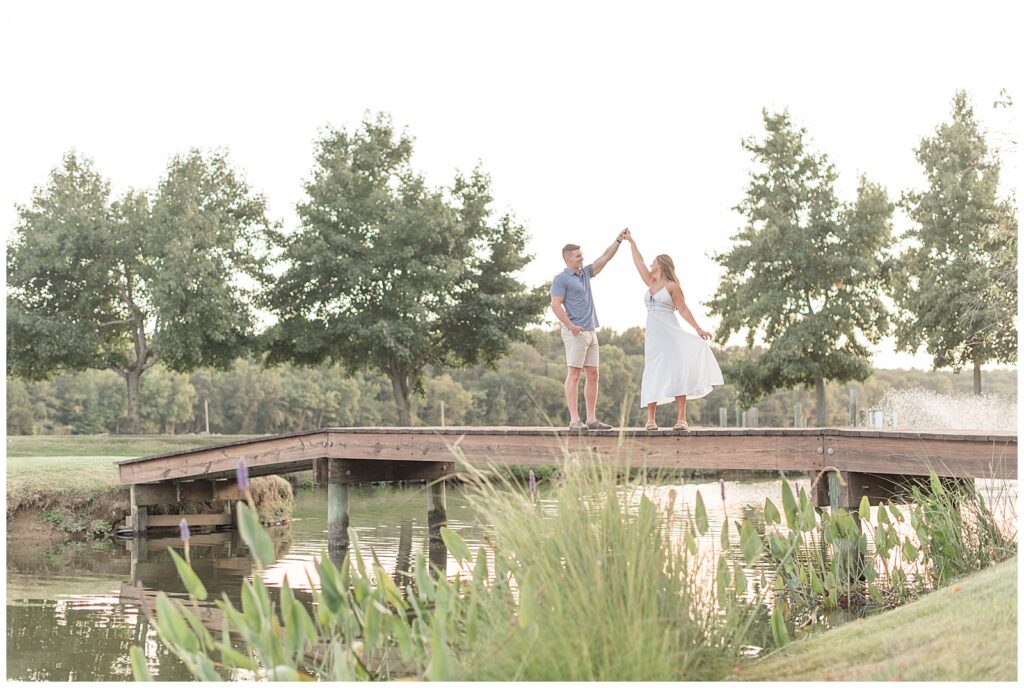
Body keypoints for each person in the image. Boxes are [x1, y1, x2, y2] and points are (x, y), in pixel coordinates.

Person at [621, 228, 723, 431]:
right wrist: (631, 242)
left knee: (677, 372)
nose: (650, 264)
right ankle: (650, 419)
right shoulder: (650, 282)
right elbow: (638, 262)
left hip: (671, 335)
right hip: (654, 337)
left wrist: (697, 328)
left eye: (653, 262)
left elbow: (683, 308)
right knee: (652, 371)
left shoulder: (672, 286)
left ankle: (682, 419)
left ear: (661, 264)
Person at [550, 232, 627, 430]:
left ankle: (591, 419)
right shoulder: (561, 279)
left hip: (591, 330)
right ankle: (575, 420)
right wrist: (571, 326)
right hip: (575, 332)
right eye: (578, 256)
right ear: (568, 259)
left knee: (593, 374)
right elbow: (556, 305)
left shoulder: (585, 273)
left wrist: (618, 240)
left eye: (582, 255)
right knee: (574, 374)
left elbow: (605, 257)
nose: (582, 258)